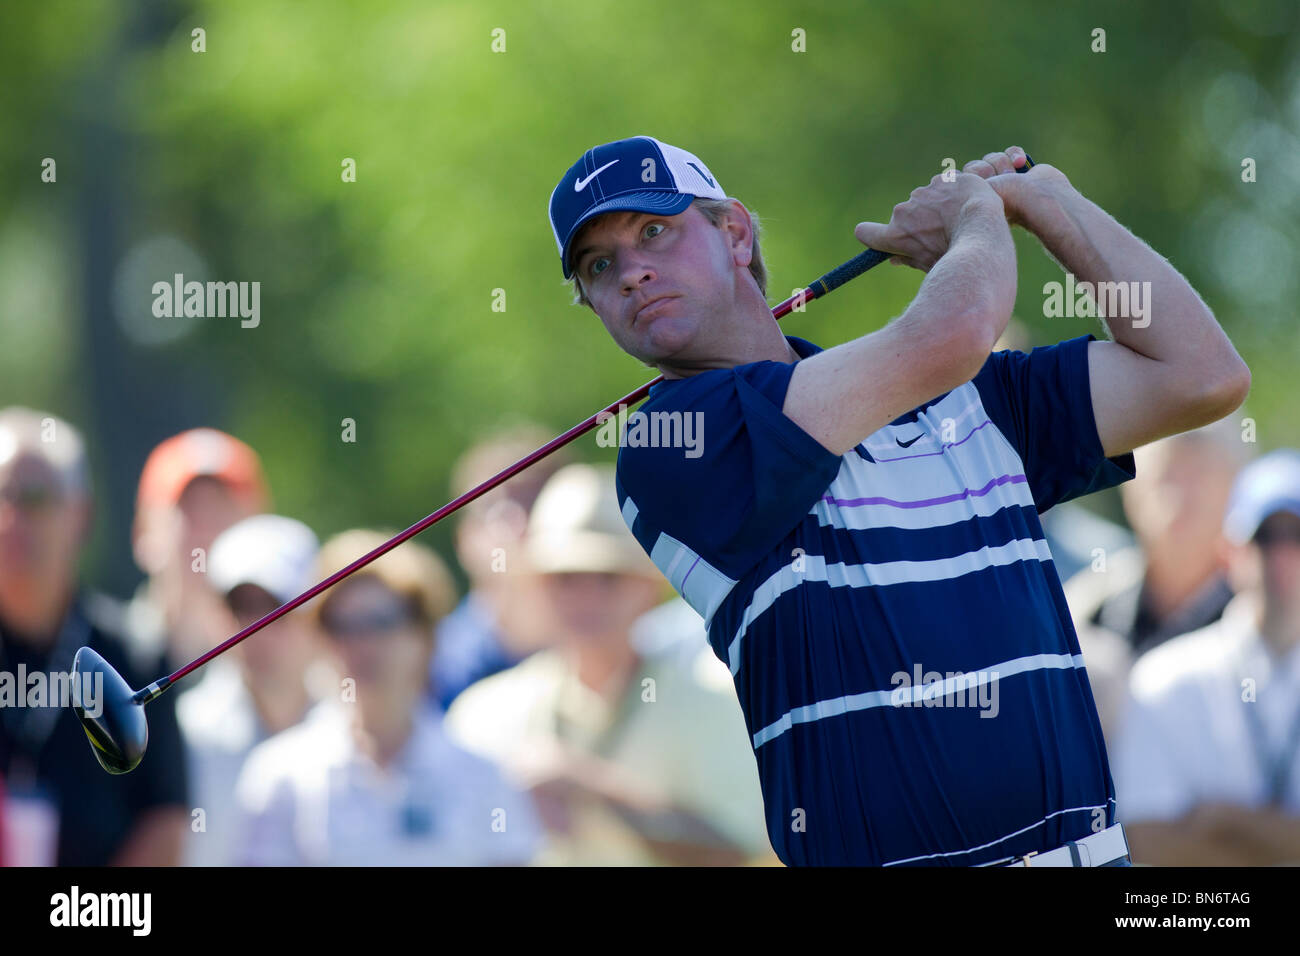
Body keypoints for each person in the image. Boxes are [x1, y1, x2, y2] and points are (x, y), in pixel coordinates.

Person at [547, 136, 1251, 866]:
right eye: (600, 266)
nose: (632, 272)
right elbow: (953, 331)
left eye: (653, 231)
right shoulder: (670, 442)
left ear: (733, 232)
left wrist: (1048, 204)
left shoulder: (975, 402)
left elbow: (1201, 375)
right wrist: (976, 216)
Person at [446, 464, 776, 865]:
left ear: (646, 588)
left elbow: (736, 854)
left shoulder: (715, 705)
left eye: (608, 577)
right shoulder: (482, 715)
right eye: (565, 577)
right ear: (535, 587)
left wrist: (586, 786)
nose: (587, 597)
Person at [233, 530, 542, 865]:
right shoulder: (280, 776)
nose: (362, 644)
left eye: (381, 622)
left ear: (424, 636)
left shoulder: (482, 774)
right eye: (342, 625)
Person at [0, 407, 188, 865]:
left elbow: (166, 819)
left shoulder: (138, 654)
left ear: (81, 514)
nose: (10, 518)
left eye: (33, 496)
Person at [1112, 450, 1300, 865]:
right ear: (1229, 554)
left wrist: (1226, 820)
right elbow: (1143, 841)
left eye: (1297, 537)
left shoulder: (1166, 678)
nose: (1282, 558)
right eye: (1266, 538)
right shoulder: (1164, 678)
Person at [178, 513, 324, 866]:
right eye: (240, 607)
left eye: (276, 607)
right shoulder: (181, 733)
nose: (256, 627)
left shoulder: (352, 730)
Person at [1065, 416, 1248, 659]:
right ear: (1131, 494)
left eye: (1199, 476)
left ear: (1237, 489)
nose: (1181, 497)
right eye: (1166, 475)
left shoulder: (1262, 613)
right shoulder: (1088, 611)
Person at [429, 425, 568, 711]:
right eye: (496, 509)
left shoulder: (611, 652)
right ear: (463, 538)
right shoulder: (429, 667)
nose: (518, 526)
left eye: (535, 504)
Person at [126, 428, 269, 681]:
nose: (205, 530)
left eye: (222, 510)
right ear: (143, 533)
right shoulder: (101, 659)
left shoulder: (314, 677)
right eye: (187, 509)